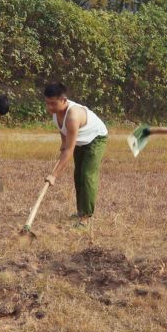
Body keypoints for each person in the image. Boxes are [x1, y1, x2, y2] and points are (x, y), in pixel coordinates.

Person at [43, 82, 108, 228]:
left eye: (53, 103)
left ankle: (86, 217)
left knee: (86, 175)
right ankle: (81, 211)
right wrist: (63, 142)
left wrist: (53, 175)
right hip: (80, 139)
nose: (49, 107)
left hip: (95, 138)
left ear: (64, 100)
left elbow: (69, 151)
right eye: (47, 103)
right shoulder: (55, 112)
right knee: (78, 174)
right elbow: (62, 129)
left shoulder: (73, 115)